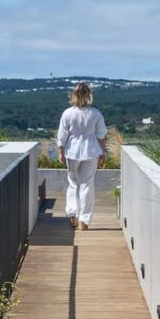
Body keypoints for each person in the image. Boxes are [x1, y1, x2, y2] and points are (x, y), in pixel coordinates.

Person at [54, 82, 109, 229]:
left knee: (73, 183)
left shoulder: (67, 113)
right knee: (87, 184)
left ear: (74, 95)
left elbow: (62, 134)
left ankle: (72, 214)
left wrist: (61, 151)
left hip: (72, 150)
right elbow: (101, 134)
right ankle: (83, 220)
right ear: (89, 96)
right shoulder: (95, 113)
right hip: (91, 150)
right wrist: (103, 152)